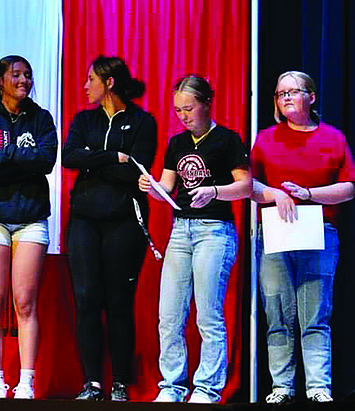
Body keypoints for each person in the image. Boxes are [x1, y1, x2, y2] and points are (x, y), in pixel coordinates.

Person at [139, 75, 251, 403]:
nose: (184, 116)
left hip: (214, 231)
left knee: (208, 313)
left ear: (206, 103)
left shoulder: (227, 140)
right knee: (170, 313)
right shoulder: (177, 143)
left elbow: (245, 187)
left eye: (189, 108)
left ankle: (207, 388)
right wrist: (153, 189)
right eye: (178, 110)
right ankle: (172, 385)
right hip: (181, 230)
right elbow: (168, 187)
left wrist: (214, 191)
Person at [251, 71, 355, 404]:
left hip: (318, 232)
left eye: (292, 92)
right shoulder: (266, 139)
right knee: (277, 312)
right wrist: (274, 194)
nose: (285, 98)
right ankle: (282, 385)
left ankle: (318, 386)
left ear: (311, 96)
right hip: (275, 233)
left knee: (315, 313)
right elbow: (248, 184)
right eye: (280, 93)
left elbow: (348, 188)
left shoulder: (332, 138)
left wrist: (308, 193)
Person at [62, 55, 157, 401]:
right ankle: (92, 383)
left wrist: (95, 161)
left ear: (109, 83)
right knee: (86, 299)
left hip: (124, 221)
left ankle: (120, 382)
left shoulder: (142, 122)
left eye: (91, 79)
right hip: (85, 220)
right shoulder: (84, 120)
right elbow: (70, 157)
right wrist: (112, 157)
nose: (85, 86)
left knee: (119, 301)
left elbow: (136, 170)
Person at [0, 55, 57, 399]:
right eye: (16, 75)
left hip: (31, 218)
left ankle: (26, 383)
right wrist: (25, 158)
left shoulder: (41, 118)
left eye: (28, 75)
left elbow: (47, 160)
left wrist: (11, 160)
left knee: (26, 303)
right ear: (1, 80)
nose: (23, 80)